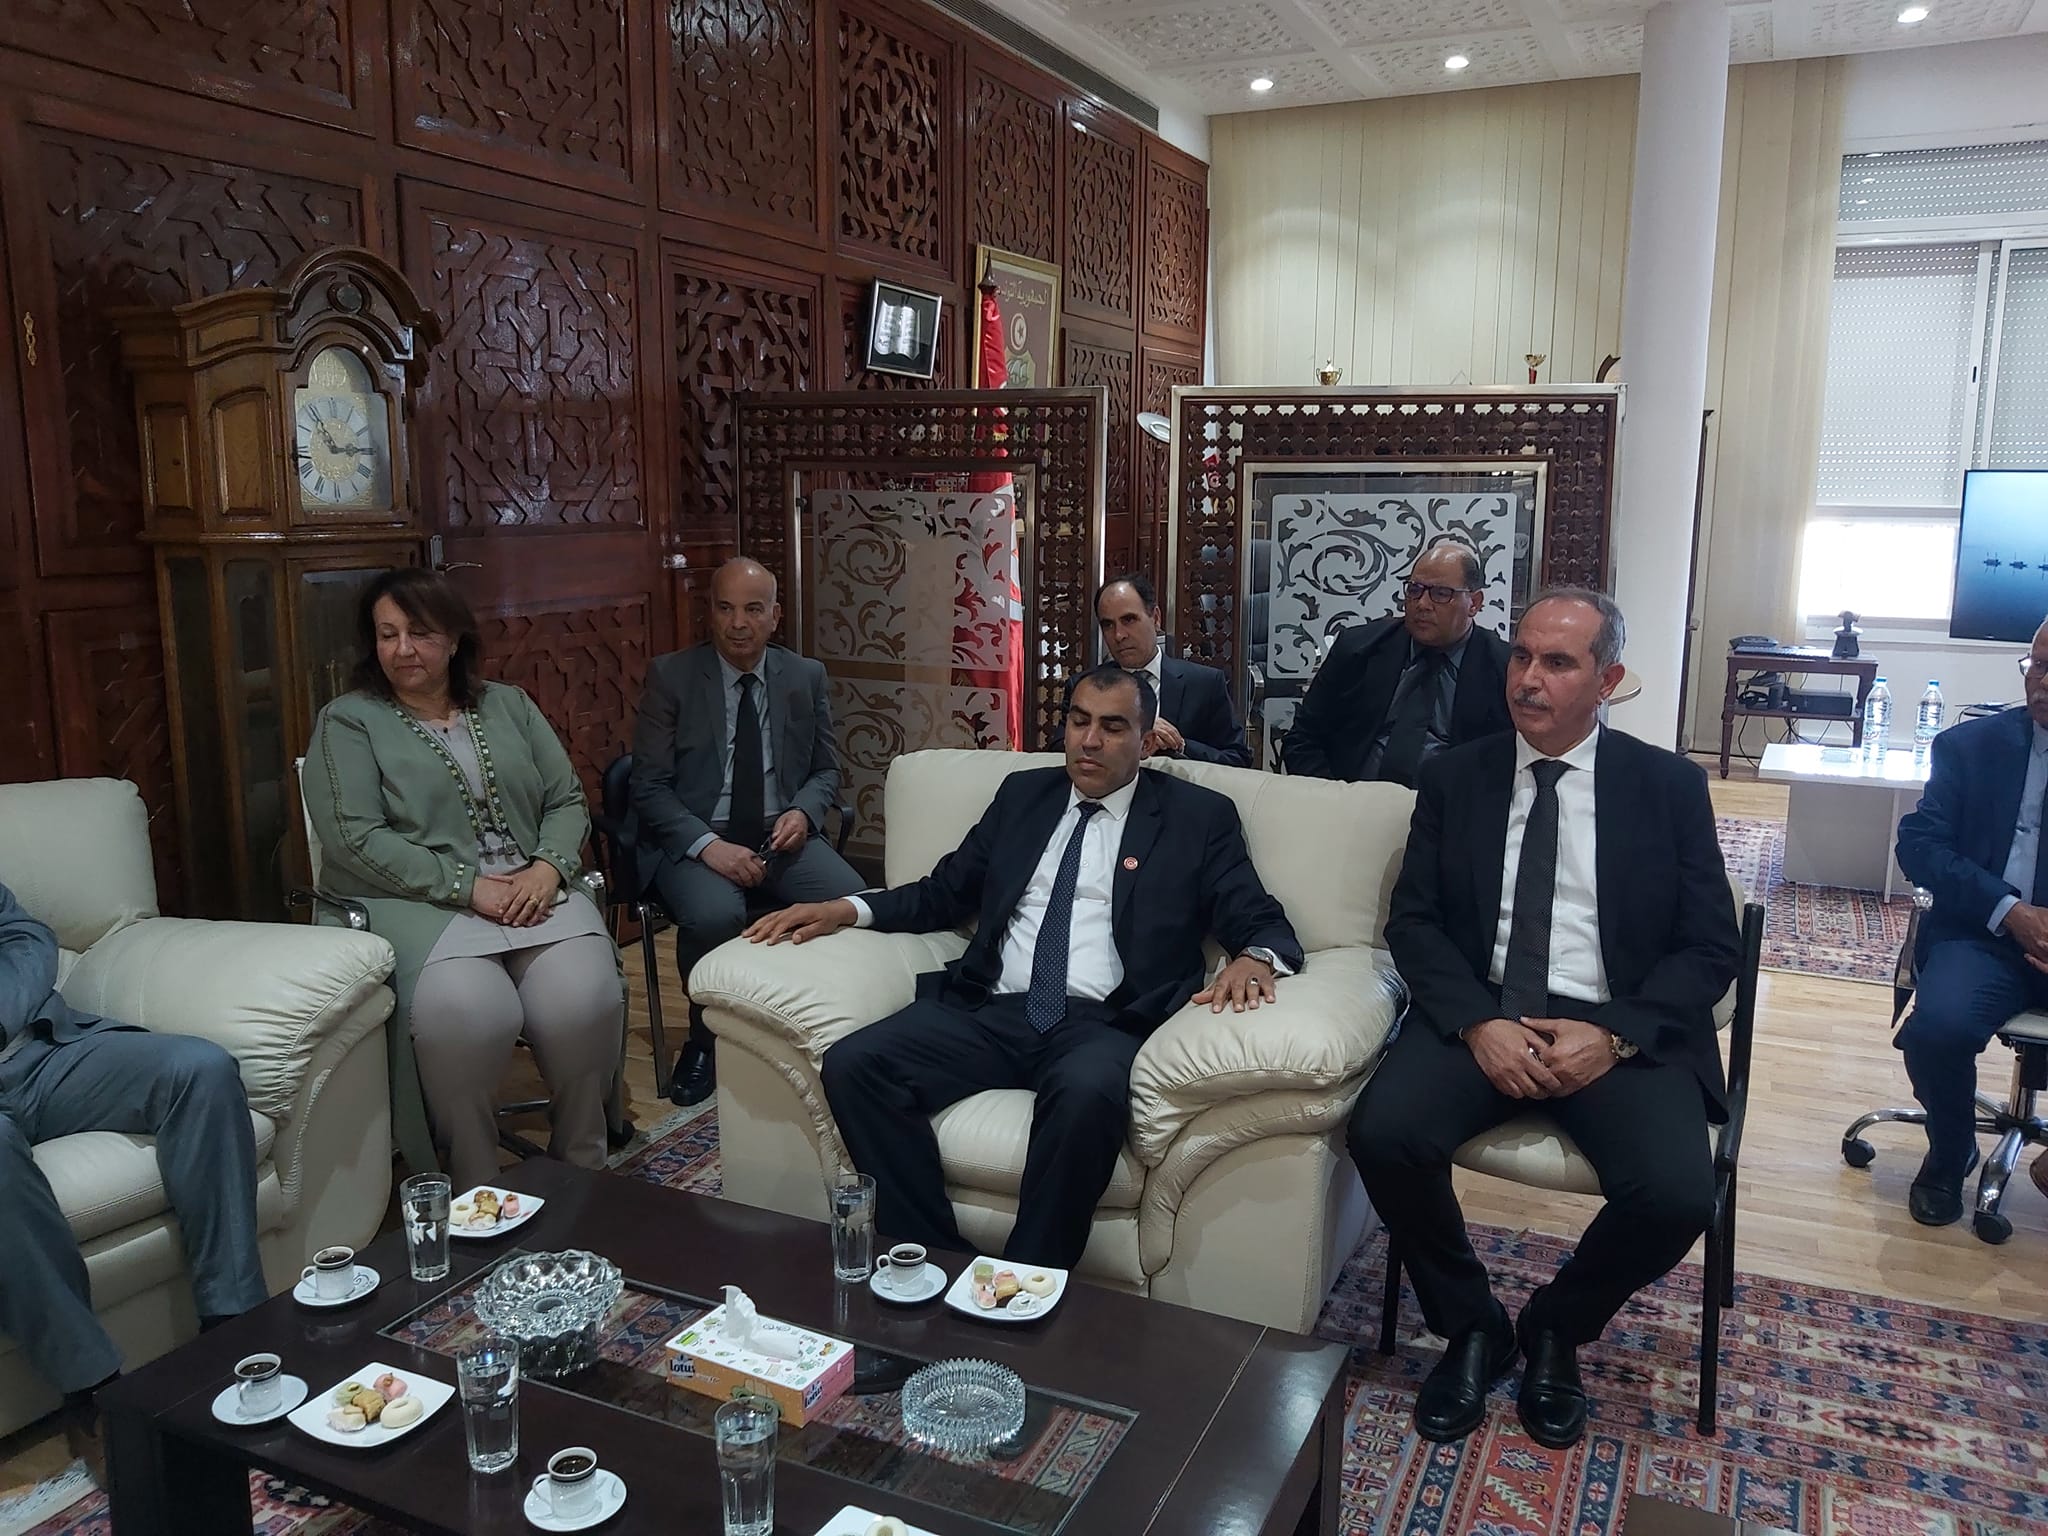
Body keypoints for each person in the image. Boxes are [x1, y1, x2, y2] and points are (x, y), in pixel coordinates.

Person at [746, 663, 1303, 1269]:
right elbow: (943, 893)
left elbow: (1258, 917)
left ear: (1146, 743)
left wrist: (1255, 957)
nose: (1089, 741)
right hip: (992, 1008)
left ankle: (1025, 1280)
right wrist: (847, 908)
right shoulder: (1023, 796)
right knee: (856, 1064)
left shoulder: (1197, 817)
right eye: (1079, 721)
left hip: (1104, 1021)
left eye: (1112, 727)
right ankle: (934, 1260)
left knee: (1087, 1092)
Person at [1348, 590, 1738, 1450]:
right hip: (1486, 1009)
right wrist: (1476, 1024)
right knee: (1383, 1134)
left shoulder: (1668, 787)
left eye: (1557, 663)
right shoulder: (1456, 776)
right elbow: (1415, 922)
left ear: (1608, 680)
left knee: (1677, 1195)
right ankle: (1473, 1324)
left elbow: (1712, 947)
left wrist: (1616, 1034)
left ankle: (1557, 1324)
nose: (1528, 678)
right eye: (1522, 656)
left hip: (1615, 1026)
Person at [304, 569, 623, 1192]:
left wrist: (548, 866)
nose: (403, 649)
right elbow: (354, 838)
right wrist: (468, 886)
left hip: (534, 891)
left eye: (419, 633)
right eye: (387, 635)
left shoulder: (509, 705)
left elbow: (564, 799)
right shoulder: (349, 722)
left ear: (453, 639)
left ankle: (583, 1169)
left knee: (585, 1001)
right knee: (472, 1017)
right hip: (420, 904)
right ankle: (475, 1182)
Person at [0, 879, 265, 1467]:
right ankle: (93, 1392)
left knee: (201, 1070)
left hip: (41, 1050)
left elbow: (23, 936)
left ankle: (234, 1329)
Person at [631, 557, 863, 1105]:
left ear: (775, 616)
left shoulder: (804, 676)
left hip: (780, 834)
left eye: (753, 609)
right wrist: (709, 847)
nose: (738, 623)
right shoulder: (672, 676)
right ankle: (705, 1041)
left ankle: (816, 1027)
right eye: (726, 608)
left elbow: (826, 770)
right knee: (716, 914)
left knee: (853, 903)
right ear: (709, 612)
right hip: (699, 837)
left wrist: (802, 813)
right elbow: (648, 786)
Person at [1893, 616, 2048, 1226]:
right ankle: (1950, 1149)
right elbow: (1920, 845)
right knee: (1938, 1030)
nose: (2042, 683)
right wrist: (2011, 911)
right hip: (1984, 933)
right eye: (2037, 666)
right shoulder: (1971, 747)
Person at [1283, 537, 1513, 785]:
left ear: (1474, 603)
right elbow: (1302, 739)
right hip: (1352, 797)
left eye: (1440, 594)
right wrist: (1334, 797)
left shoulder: (1505, 669)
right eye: (1414, 590)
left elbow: (1511, 762)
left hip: (1453, 804)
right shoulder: (1358, 650)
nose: (1422, 604)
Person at [1045, 573, 1248, 766]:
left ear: (1156, 618)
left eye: (1129, 620)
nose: (1119, 635)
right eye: (1108, 625)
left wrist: (1180, 745)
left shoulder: (1204, 684)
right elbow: (1058, 754)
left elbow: (1237, 759)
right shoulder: (1085, 686)